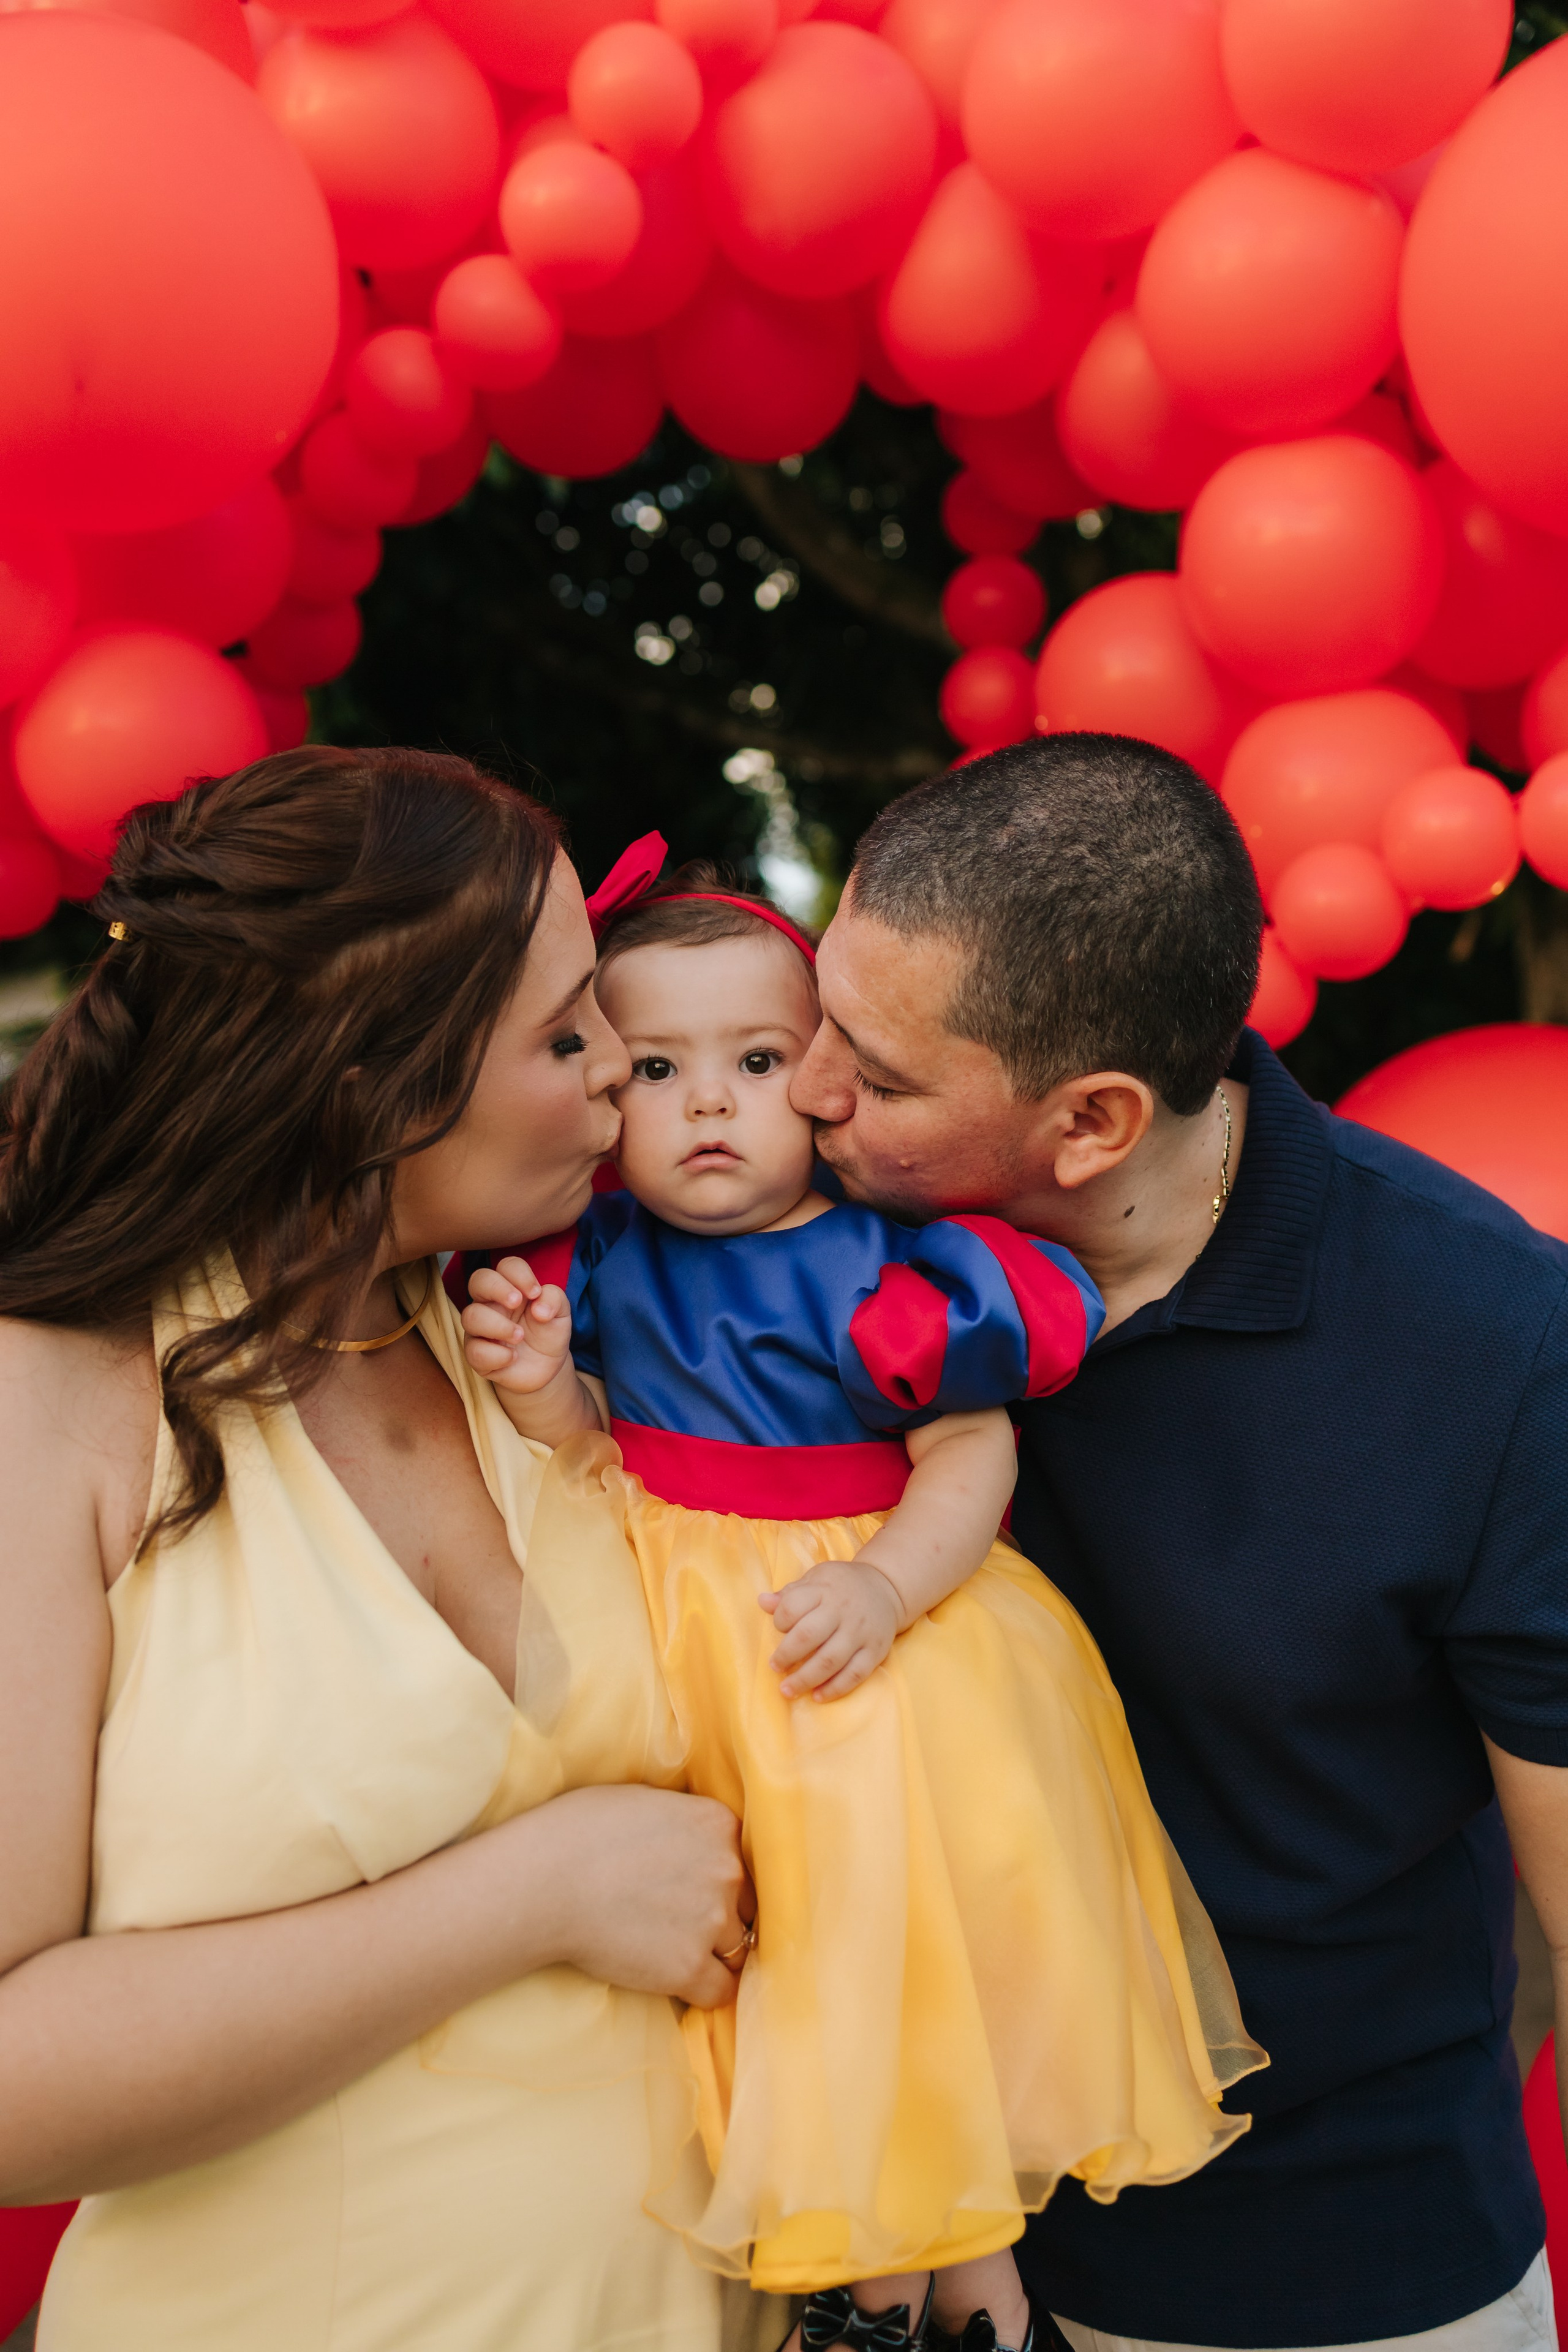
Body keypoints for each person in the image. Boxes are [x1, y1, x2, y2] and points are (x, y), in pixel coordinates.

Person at [788, 732, 1568, 2352]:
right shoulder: (799, 1232)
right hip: (893, 2238)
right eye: (817, 1020)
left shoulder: (1495, 1345)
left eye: (878, 1071)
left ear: (1090, 1124)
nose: (806, 1093)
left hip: (1333, 2279)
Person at [0, 746, 761, 2352]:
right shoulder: (53, 1396)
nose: (623, 1068)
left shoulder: (549, 1337)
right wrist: (529, 1896)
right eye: (566, 1032)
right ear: (366, 1081)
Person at [459, 851, 1264, 2352]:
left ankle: (961, 2307)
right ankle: (878, 2299)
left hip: (872, 1649)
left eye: (758, 1063)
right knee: (776, 1974)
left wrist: (888, 1584)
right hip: (681, 1634)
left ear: (824, 1085)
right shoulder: (601, 1262)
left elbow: (968, 1453)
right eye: (654, 1068)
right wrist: (541, 1386)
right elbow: (589, 1453)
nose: (708, 1105)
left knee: (888, 1953)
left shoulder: (888, 1267)